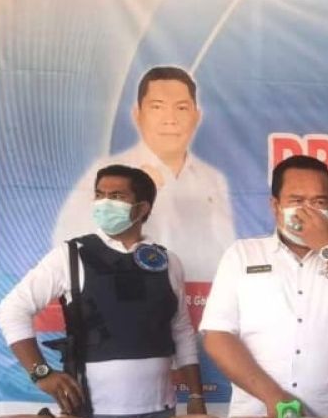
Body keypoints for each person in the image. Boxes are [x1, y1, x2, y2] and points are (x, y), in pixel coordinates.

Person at [0, 165, 205, 418]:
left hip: (161, 411)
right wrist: (41, 373)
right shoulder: (70, 255)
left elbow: (181, 330)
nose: (105, 203)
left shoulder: (168, 261)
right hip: (91, 415)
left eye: (116, 196)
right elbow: (11, 310)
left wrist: (196, 395)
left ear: (142, 208)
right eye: (99, 194)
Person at [200, 155, 328, 418]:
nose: (307, 211)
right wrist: (273, 396)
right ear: (275, 205)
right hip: (257, 417)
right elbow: (218, 336)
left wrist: (326, 246)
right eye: (297, 201)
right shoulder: (243, 254)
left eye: (319, 202)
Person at [53, 66, 234, 281]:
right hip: (126, 288)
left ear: (197, 116)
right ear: (137, 115)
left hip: (197, 292)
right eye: (157, 107)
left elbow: (226, 250)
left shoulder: (212, 179)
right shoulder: (107, 175)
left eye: (181, 108)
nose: (170, 119)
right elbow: (68, 241)